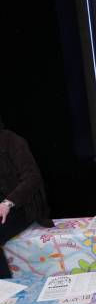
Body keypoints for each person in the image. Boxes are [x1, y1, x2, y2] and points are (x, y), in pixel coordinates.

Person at [0, 119, 52, 278]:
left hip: (22, 206)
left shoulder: (12, 141)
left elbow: (32, 178)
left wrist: (7, 203)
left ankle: (5, 291)